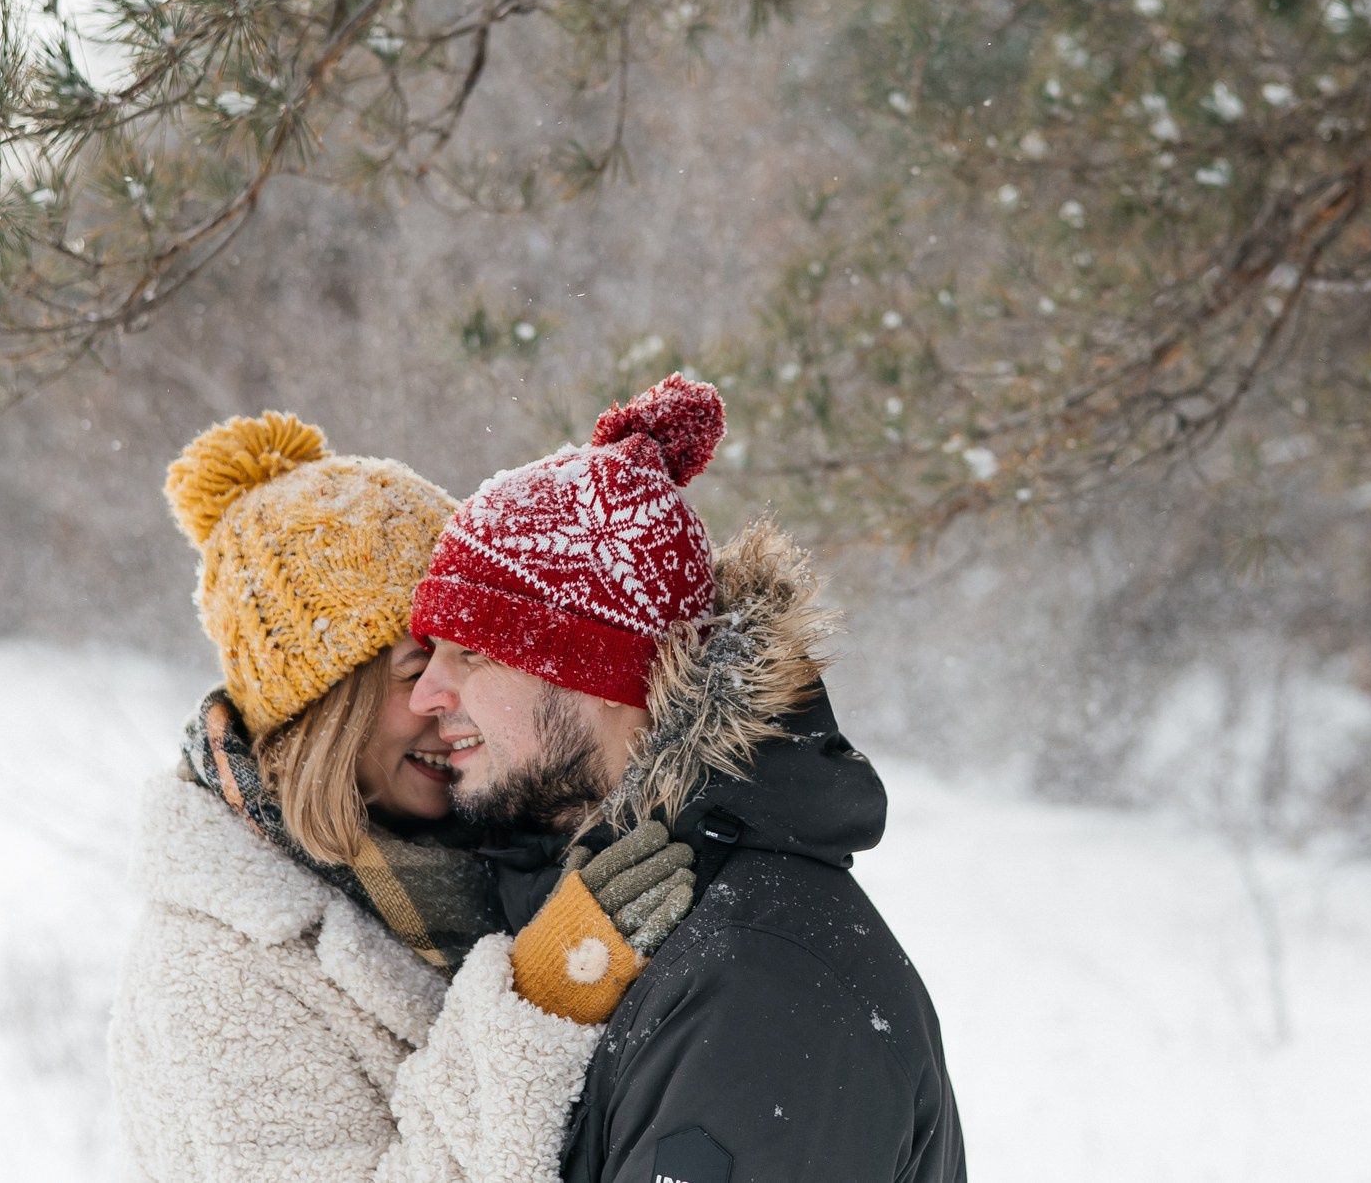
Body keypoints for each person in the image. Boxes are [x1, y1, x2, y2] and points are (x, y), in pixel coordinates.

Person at [409, 375, 968, 1183]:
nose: (429, 693)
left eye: (473, 651)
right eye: (428, 653)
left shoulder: (761, 989)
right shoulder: (607, 910)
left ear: (600, 675)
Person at [109, 412, 694, 1183]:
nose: (445, 699)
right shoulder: (214, 971)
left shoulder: (488, 849)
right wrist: (540, 1002)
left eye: (475, 653)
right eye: (417, 664)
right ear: (321, 706)